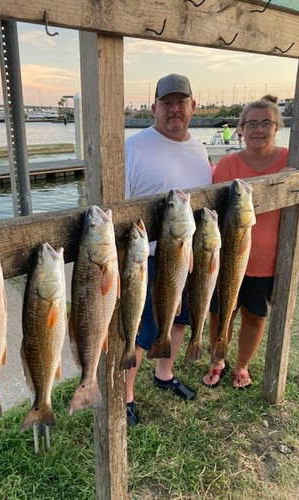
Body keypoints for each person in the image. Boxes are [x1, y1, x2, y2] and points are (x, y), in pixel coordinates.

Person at [125, 74, 212, 426]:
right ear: (154, 107)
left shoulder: (200, 149)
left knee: (179, 318)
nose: (174, 109)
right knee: (140, 328)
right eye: (167, 102)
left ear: (193, 105)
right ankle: (126, 395)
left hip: (189, 253)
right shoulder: (132, 147)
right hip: (145, 258)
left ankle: (164, 373)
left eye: (181, 102)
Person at [202, 95, 291, 390]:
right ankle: (217, 358)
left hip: (267, 260)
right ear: (240, 129)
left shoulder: (290, 160)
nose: (258, 129)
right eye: (251, 123)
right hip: (227, 259)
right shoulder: (227, 164)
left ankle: (242, 365)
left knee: (255, 315)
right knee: (221, 312)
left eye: (266, 122)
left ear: (276, 126)